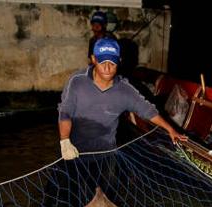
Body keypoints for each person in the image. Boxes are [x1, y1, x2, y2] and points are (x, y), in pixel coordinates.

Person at [58, 38, 187, 160]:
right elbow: (65, 112)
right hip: (74, 149)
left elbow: (148, 110)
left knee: (101, 182)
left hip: (105, 152)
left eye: (112, 63)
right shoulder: (77, 82)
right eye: (102, 62)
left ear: (119, 60)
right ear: (93, 59)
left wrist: (171, 130)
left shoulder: (125, 90)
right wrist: (64, 141)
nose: (107, 68)